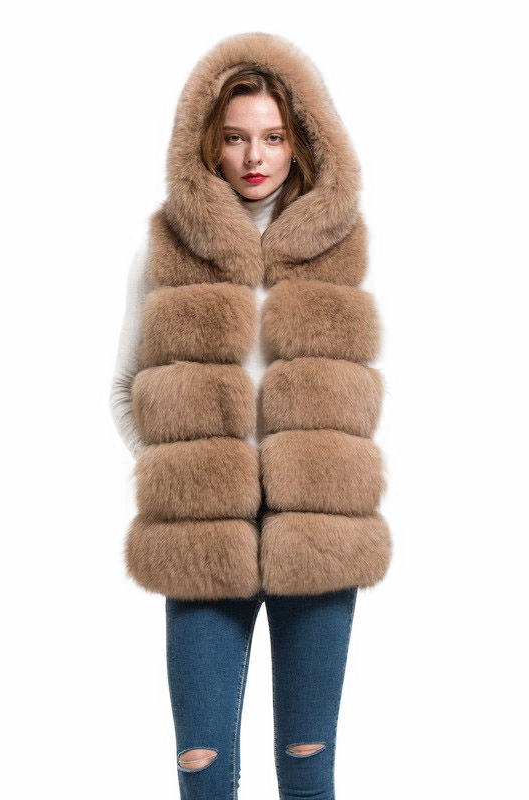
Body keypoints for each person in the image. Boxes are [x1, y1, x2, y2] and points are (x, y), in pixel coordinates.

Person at [110, 32, 391, 800]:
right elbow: (125, 387)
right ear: (208, 142)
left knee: (306, 762)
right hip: (203, 537)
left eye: (273, 136)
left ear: (302, 141)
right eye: (235, 137)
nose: (254, 156)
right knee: (201, 765)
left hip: (318, 537)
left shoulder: (345, 250)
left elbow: (369, 391)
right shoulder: (166, 250)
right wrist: (181, 477)